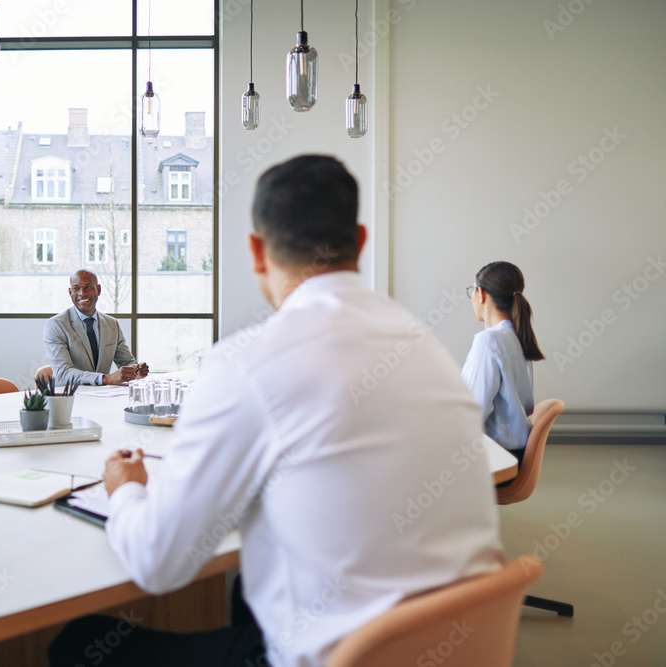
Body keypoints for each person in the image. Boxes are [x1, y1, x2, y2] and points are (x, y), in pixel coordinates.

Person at [48, 155, 503, 667]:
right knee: (248, 586)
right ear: (360, 239)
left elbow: (158, 563)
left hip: (340, 658)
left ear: (257, 251)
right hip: (461, 644)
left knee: (80, 643)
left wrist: (125, 485)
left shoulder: (247, 364)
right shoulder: (426, 349)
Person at [461, 261, 544, 460]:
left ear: (480, 294)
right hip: (513, 453)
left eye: (472, 291)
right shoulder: (516, 336)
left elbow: (471, 415)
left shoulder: (488, 341)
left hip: (494, 456)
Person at [43, 269, 148, 386]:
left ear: (98, 290)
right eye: (76, 288)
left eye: (88, 287)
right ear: (70, 292)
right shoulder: (56, 325)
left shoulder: (112, 324)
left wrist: (136, 370)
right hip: (69, 397)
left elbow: (127, 361)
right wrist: (105, 378)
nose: (82, 293)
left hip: (102, 396)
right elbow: (63, 372)